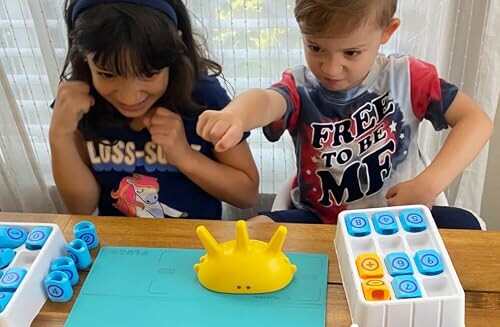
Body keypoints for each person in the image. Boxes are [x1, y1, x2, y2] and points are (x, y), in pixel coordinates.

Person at [197, 0, 493, 228]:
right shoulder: (300, 87)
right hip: (321, 222)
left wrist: (429, 184)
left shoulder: (408, 78)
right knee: (256, 230)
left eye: (350, 53)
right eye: (315, 47)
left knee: (469, 229)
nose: (330, 68)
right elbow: (266, 101)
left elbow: (476, 121)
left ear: (387, 32)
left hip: (397, 219)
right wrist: (236, 115)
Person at [49, 0, 259, 219]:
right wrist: (59, 136)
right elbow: (81, 209)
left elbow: (246, 194)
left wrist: (184, 156)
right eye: (107, 74)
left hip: (197, 242)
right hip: (118, 243)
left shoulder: (203, 97)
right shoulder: (77, 103)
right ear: (83, 55)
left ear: (175, 47)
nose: (129, 97)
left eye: (148, 73)